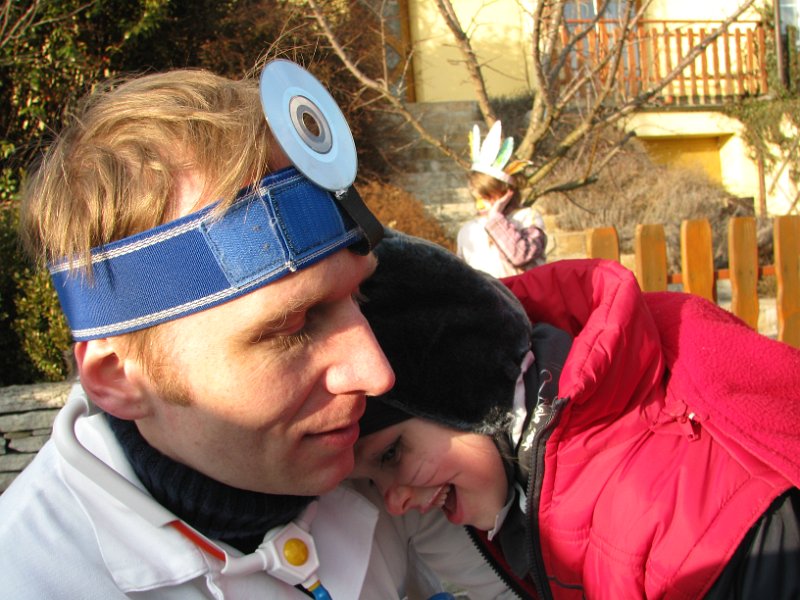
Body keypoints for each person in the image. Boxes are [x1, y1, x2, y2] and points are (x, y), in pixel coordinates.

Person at [0, 62, 515, 599]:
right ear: (119, 378)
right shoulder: (27, 580)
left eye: (358, 299)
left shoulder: (374, 458)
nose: (376, 373)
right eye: (293, 328)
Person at [353, 229, 800, 599]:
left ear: (464, 390)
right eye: (373, 481)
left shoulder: (670, 518)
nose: (393, 502)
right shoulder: (537, 494)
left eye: (391, 453)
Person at [456, 121, 547, 278]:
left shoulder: (527, 219)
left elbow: (520, 255)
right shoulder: (469, 230)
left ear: (506, 193)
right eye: (477, 198)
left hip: (519, 294)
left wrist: (496, 219)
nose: (480, 204)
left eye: (487, 196)